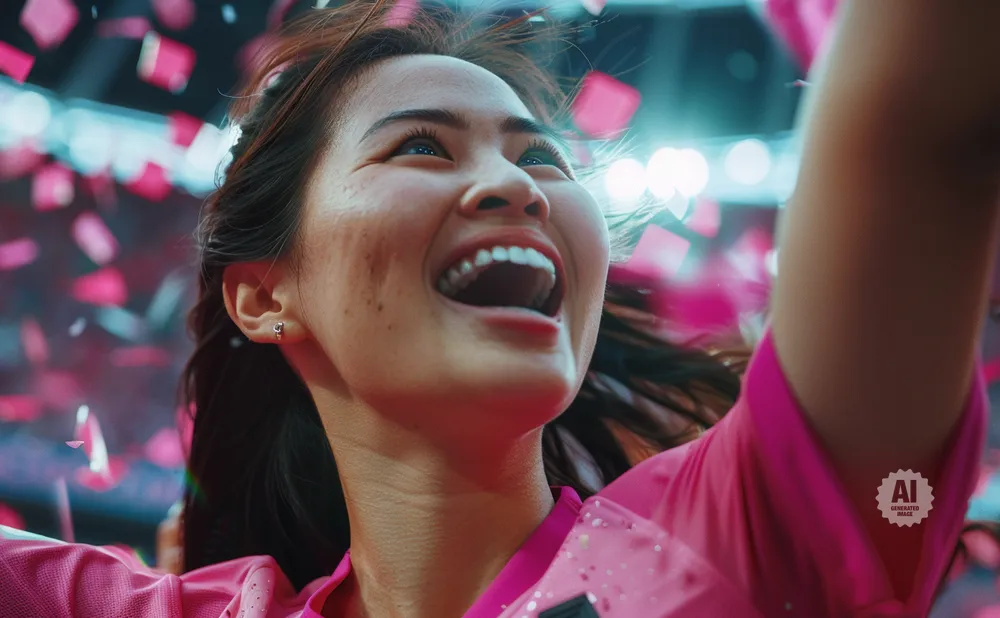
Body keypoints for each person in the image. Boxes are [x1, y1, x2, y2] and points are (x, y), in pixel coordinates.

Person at [2, 0, 998, 616]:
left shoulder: (743, 530)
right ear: (266, 296)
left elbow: (925, 131)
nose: (516, 188)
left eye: (542, 160)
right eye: (421, 147)